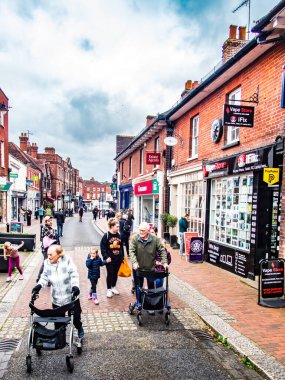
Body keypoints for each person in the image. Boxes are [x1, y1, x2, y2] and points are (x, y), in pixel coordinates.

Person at [32, 245, 84, 339]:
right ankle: (61, 337)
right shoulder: (47, 263)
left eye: (51, 254)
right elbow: (44, 276)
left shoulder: (67, 260)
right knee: (58, 322)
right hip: (57, 299)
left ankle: (79, 328)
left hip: (71, 296)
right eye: (48, 254)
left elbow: (73, 273)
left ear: (58, 254)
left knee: (76, 318)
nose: (49, 256)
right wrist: (39, 285)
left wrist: (75, 286)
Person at [100, 218, 124, 298]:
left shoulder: (119, 235)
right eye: (117, 226)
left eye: (118, 226)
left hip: (118, 259)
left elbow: (121, 247)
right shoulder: (106, 235)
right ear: (112, 226)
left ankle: (113, 287)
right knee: (110, 274)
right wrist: (106, 257)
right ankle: (109, 289)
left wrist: (122, 257)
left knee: (115, 274)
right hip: (110, 260)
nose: (118, 228)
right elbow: (102, 247)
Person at [36, 216, 59, 282]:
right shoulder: (45, 228)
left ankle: (49, 279)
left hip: (51, 248)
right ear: (45, 222)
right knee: (45, 263)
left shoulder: (51, 228)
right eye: (49, 221)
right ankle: (39, 277)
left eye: (51, 220)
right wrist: (54, 230)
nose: (50, 222)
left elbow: (57, 236)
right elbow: (53, 236)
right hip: (46, 249)